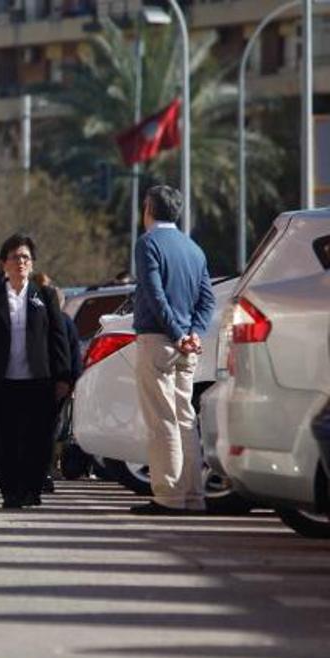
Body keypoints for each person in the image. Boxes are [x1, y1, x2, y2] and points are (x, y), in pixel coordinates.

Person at [0, 234, 72, 509]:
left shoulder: (44, 296)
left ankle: (31, 488)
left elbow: (58, 338)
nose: (20, 262)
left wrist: (63, 377)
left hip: (37, 380)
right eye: (15, 257)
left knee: (36, 440)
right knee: (2, 440)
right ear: (3, 263)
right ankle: (10, 492)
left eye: (25, 257)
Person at [130, 185, 215, 516]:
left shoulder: (148, 243)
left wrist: (178, 333)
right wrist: (193, 333)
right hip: (186, 347)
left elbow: (153, 292)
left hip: (158, 340)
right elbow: (207, 298)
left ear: (148, 207)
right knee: (185, 419)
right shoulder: (194, 249)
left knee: (162, 419)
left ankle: (168, 496)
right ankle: (193, 495)